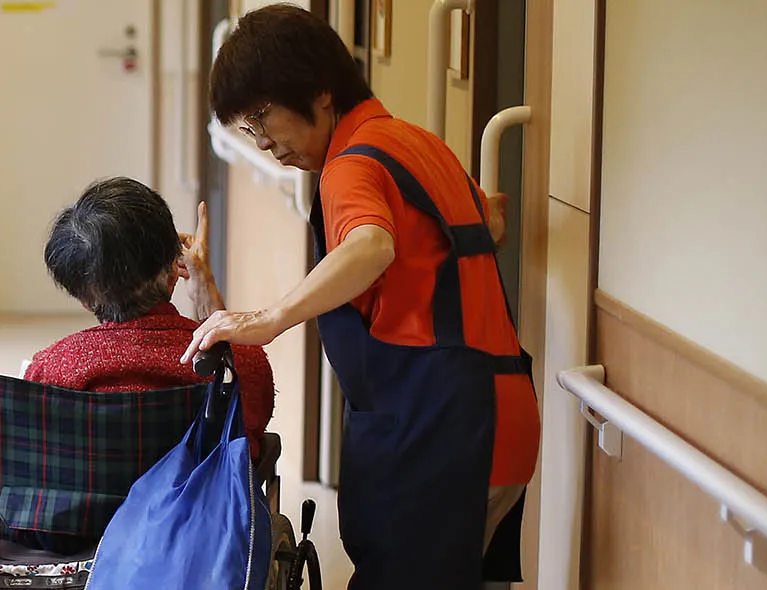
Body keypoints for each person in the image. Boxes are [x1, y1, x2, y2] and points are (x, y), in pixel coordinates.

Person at [185, 5, 539, 588]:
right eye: (248, 128)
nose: (264, 142)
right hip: (498, 414)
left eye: (264, 115)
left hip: (440, 430)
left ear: (321, 92)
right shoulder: (417, 143)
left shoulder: (349, 168)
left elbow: (372, 245)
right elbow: (492, 220)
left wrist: (270, 318)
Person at [25, 177, 276, 452]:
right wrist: (209, 301)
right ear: (173, 274)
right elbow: (249, 432)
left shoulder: (50, 372)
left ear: (84, 300)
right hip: (200, 483)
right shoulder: (240, 366)